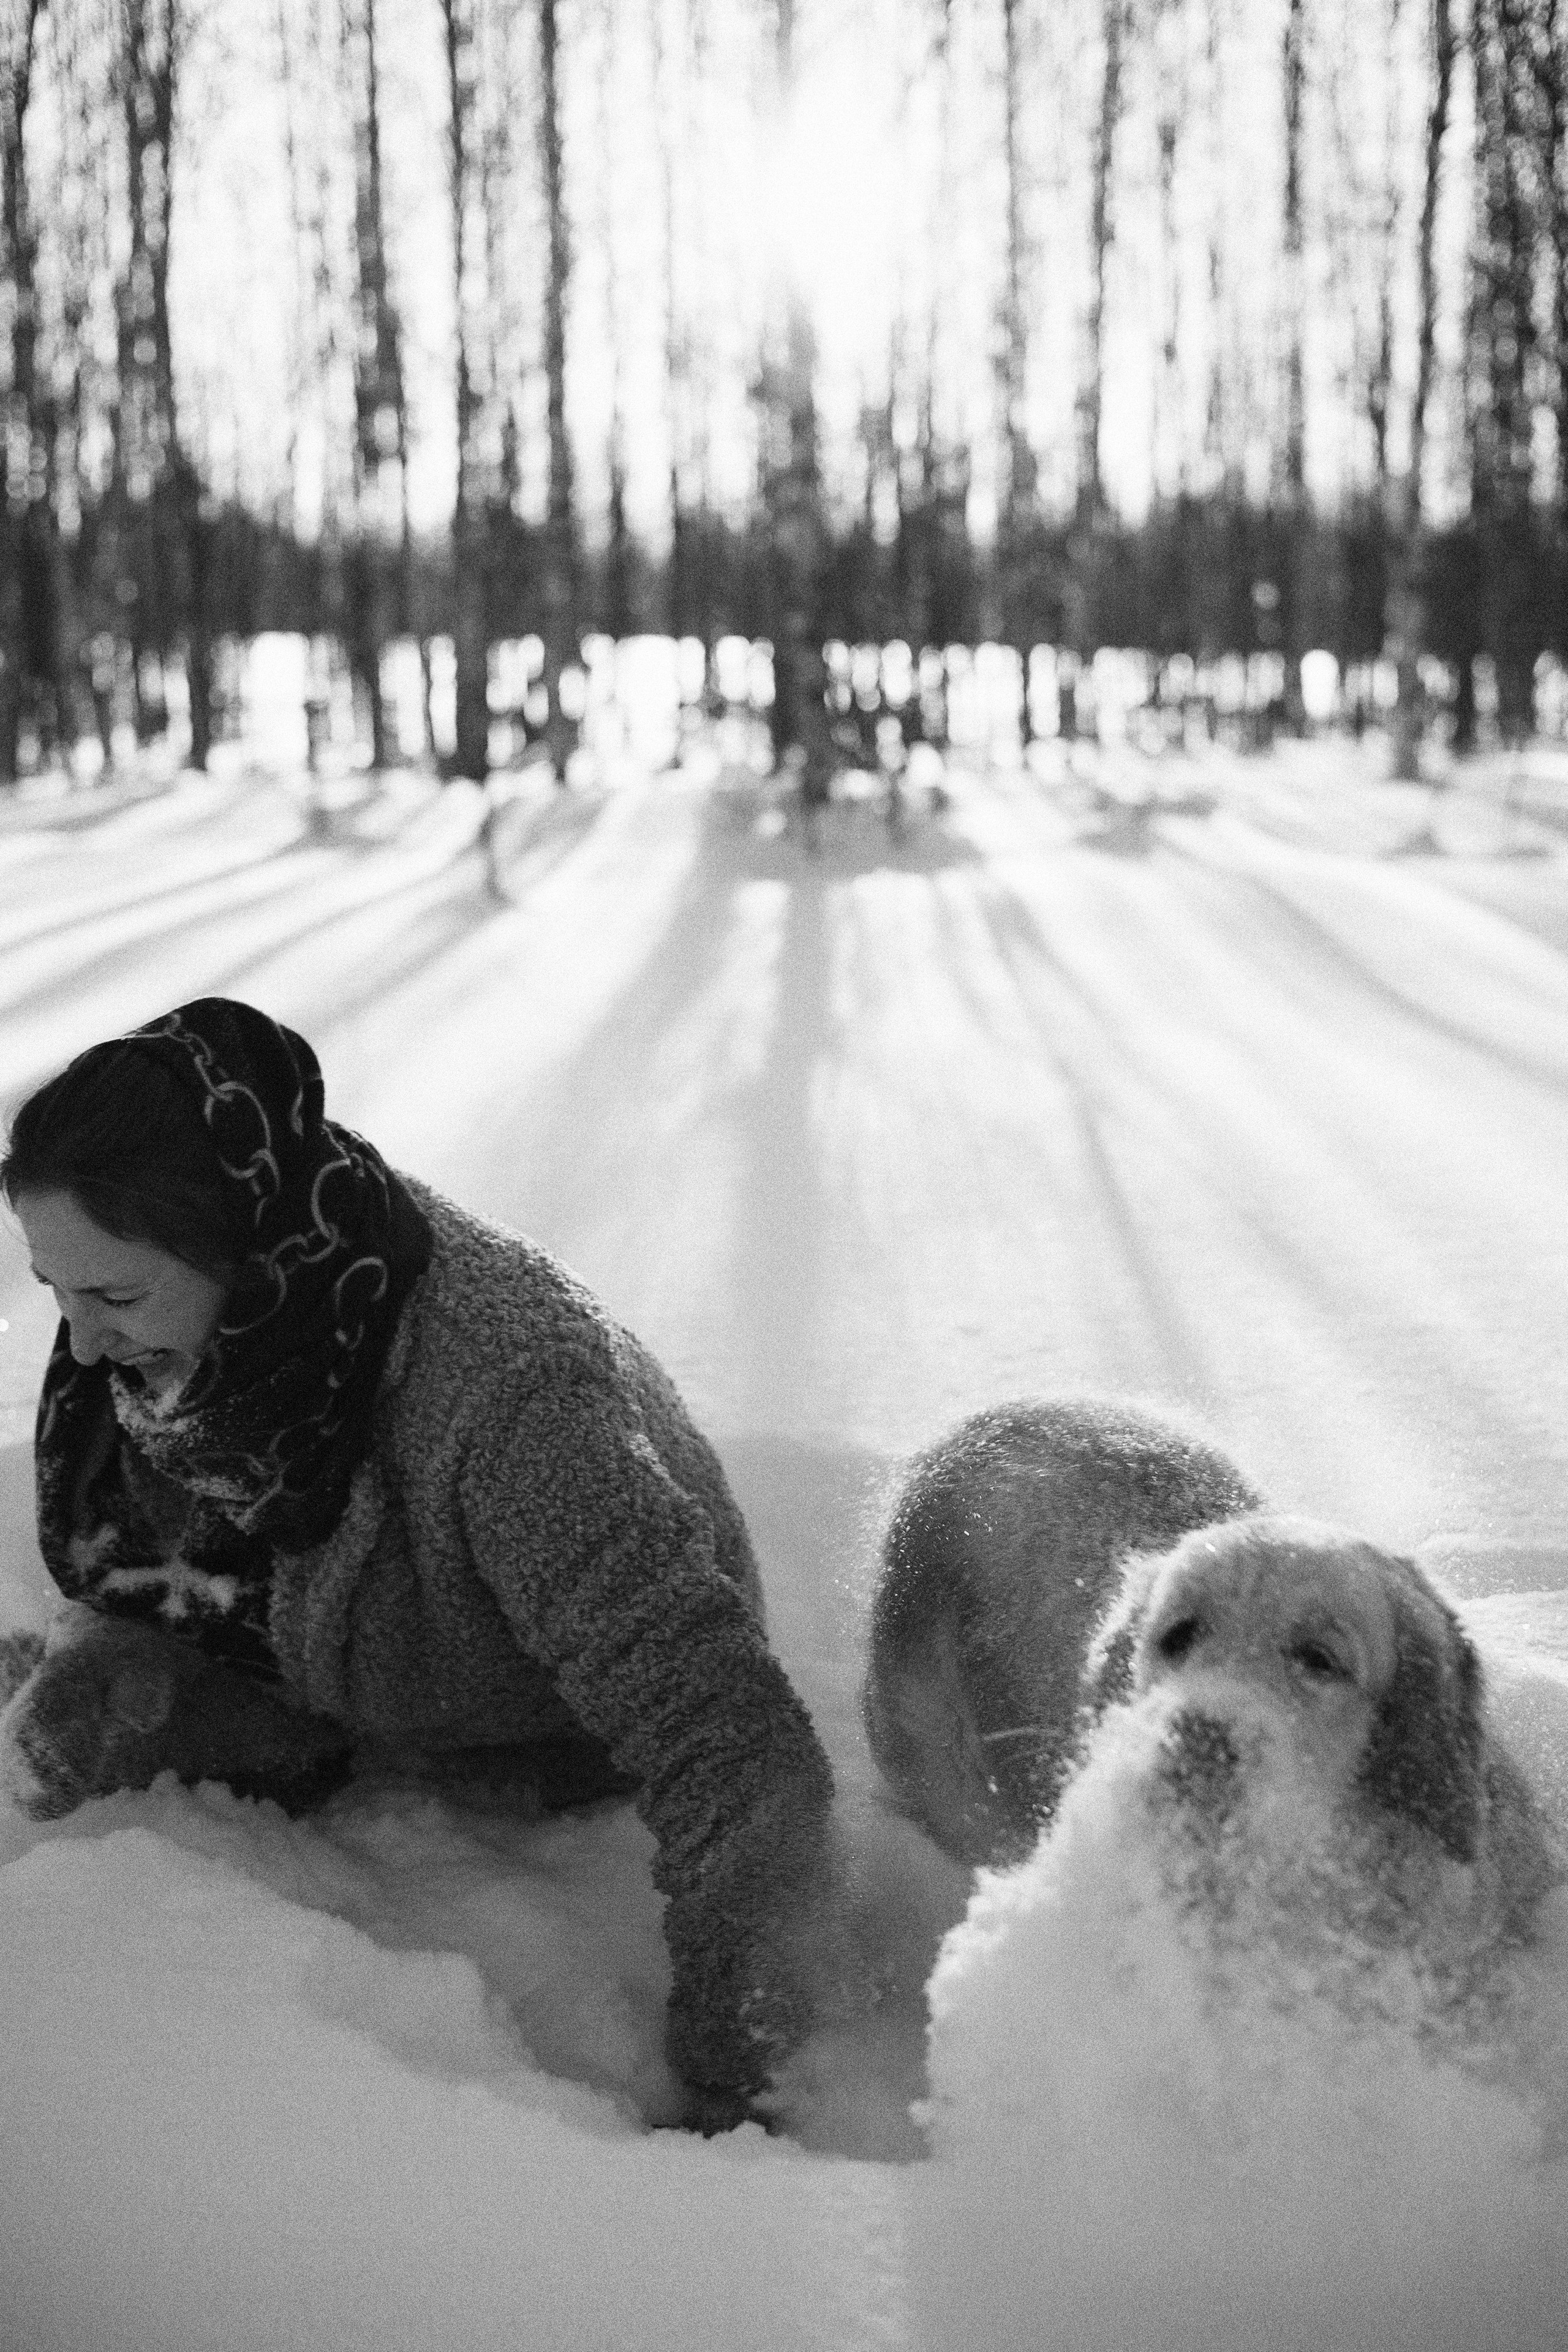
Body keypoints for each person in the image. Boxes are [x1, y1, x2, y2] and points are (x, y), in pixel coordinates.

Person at [0, 997, 845, 2128]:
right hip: (334, 1650)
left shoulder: (508, 1401)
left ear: (247, 1257)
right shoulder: (243, 1327)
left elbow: (738, 1749)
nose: (84, 1343)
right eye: (54, 1291)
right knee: (76, 1725)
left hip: (535, 1717)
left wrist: (737, 2079)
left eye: (114, 1295)